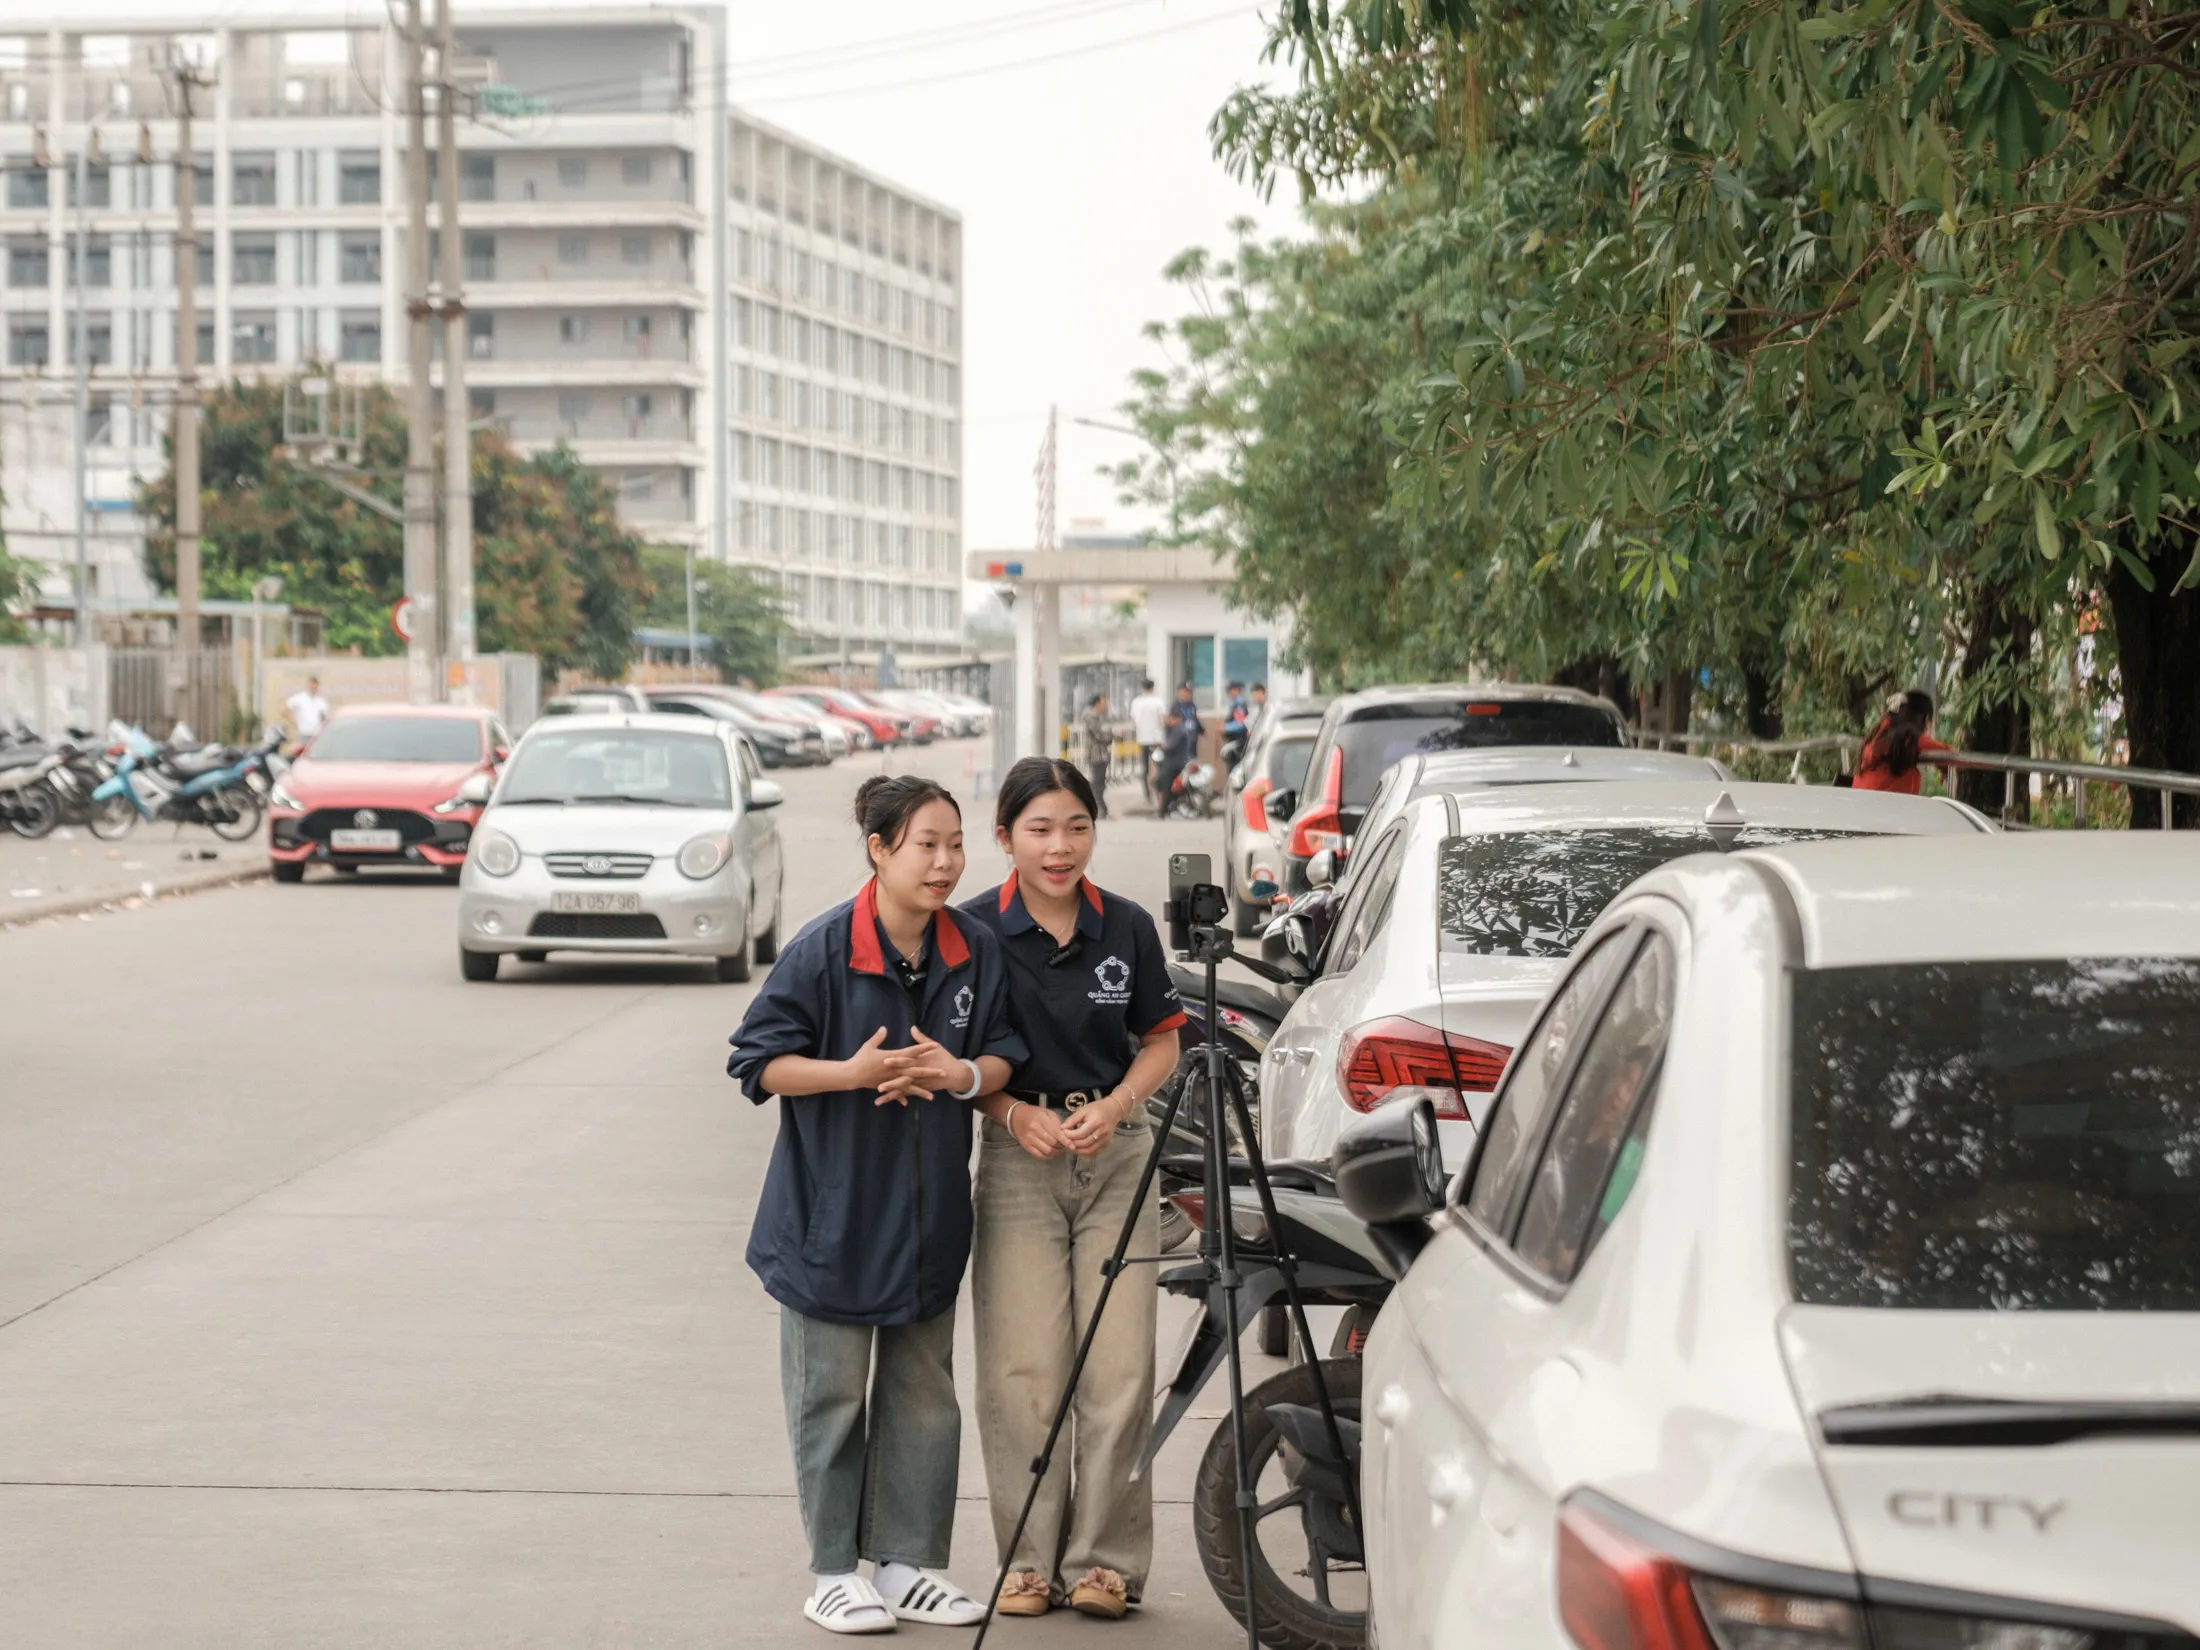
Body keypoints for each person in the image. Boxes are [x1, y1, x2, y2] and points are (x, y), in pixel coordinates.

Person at [727, 775, 1030, 1636]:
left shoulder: (973, 948)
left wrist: (959, 1074)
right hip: (832, 1219)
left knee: (923, 1394)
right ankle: (831, 1571)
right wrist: (851, 1075)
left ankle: (907, 1565)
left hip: (931, 1222)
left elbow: (1004, 1051)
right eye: (926, 845)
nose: (945, 863)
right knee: (830, 1396)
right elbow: (756, 1062)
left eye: (955, 844)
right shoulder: (824, 950)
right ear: (880, 850)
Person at [960, 758, 1185, 1620]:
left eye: (1077, 826)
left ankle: (1105, 1563)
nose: (1061, 847)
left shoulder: (1125, 927)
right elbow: (955, 1062)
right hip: (1020, 1157)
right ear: (1006, 837)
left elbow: (1162, 1040)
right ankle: (1026, 1563)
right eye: (1040, 829)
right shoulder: (971, 930)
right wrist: (1013, 1112)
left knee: (1121, 1367)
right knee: (1023, 1370)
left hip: (1119, 1155)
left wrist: (1121, 1104)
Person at [1854, 689, 1950, 795]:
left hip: (1861, 802)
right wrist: (1945, 768)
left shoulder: (1880, 732)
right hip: (1884, 807)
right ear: (1927, 720)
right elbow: (1949, 754)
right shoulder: (1909, 737)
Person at [1152, 683, 1202, 815]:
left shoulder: (1180, 727)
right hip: (1183, 756)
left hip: (1177, 760)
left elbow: (1170, 744)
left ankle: (1163, 811)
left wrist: (1162, 746)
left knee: (1162, 781)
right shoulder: (1175, 709)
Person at [1126, 679, 1165, 806]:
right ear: (1153, 688)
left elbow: (1133, 719)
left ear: (1142, 688)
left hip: (1142, 739)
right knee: (1160, 766)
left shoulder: (1136, 702)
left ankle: (1147, 794)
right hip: (1156, 739)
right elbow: (1162, 720)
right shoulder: (1158, 702)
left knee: (1145, 768)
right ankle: (1160, 790)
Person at [1078, 692, 1116, 819]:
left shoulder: (1098, 717)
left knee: (1100, 783)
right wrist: (1112, 735)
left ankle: (1101, 810)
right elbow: (1099, 735)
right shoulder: (1090, 717)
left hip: (1101, 754)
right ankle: (1098, 810)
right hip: (1096, 754)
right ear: (1097, 703)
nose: (1106, 706)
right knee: (1097, 783)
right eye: (1104, 702)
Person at [286, 676, 330, 741]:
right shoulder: (300, 698)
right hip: (304, 733)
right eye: (312, 684)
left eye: (315, 685)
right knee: (305, 750)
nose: (313, 687)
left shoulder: (321, 701)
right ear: (308, 685)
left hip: (317, 734)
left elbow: (324, 718)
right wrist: (295, 722)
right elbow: (286, 710)